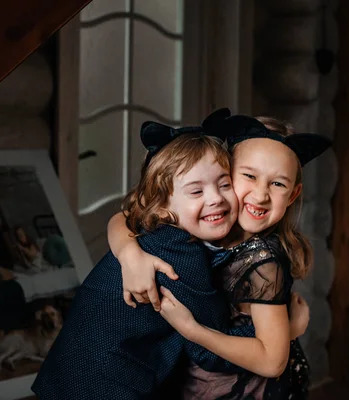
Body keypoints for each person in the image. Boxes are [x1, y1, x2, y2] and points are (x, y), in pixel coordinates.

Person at [33, 109, 279, 400]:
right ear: (163, 207)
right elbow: (209, 350)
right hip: (105, 387)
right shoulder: (181, 257)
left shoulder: (150, 230)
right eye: (196, 192)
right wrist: (277, 334)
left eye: (224, 184)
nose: (215, 198)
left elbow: (122, 217)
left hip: (65, 374)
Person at [108, 113, 331, 399]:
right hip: (194, 377)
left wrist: (192, 330)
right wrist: (129, 254)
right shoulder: (207, 218)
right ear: (223, 175)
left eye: (277, 184)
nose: (261, 195)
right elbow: (125, 216)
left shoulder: (261, 261)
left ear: (292, 194)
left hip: (244, 389)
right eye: (249, 176)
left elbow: (272, 361)